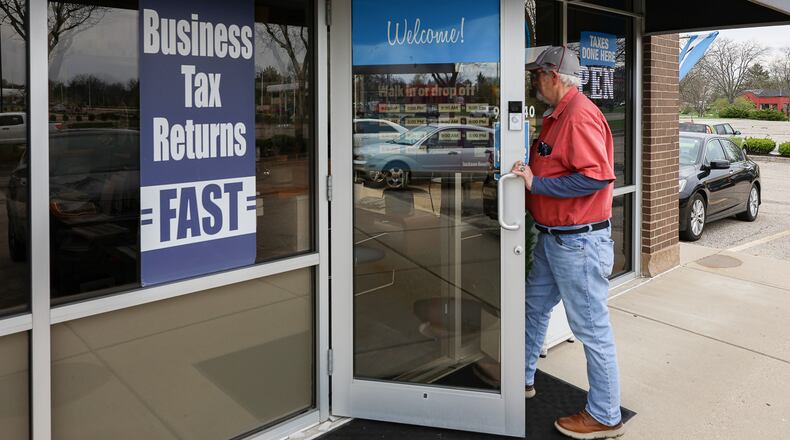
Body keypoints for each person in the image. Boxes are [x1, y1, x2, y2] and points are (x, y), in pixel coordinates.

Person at [510, 46, 623, 439]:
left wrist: (536, 183)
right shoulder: (555, 117)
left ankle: (606, 415)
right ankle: (521, 378)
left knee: (591, 329)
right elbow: (552, 163)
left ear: (554, 76)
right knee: (534, 307)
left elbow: (596, 178)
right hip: (553, 239)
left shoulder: (578, 116)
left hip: (579, 243)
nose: (533, 82)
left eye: (537, 76)